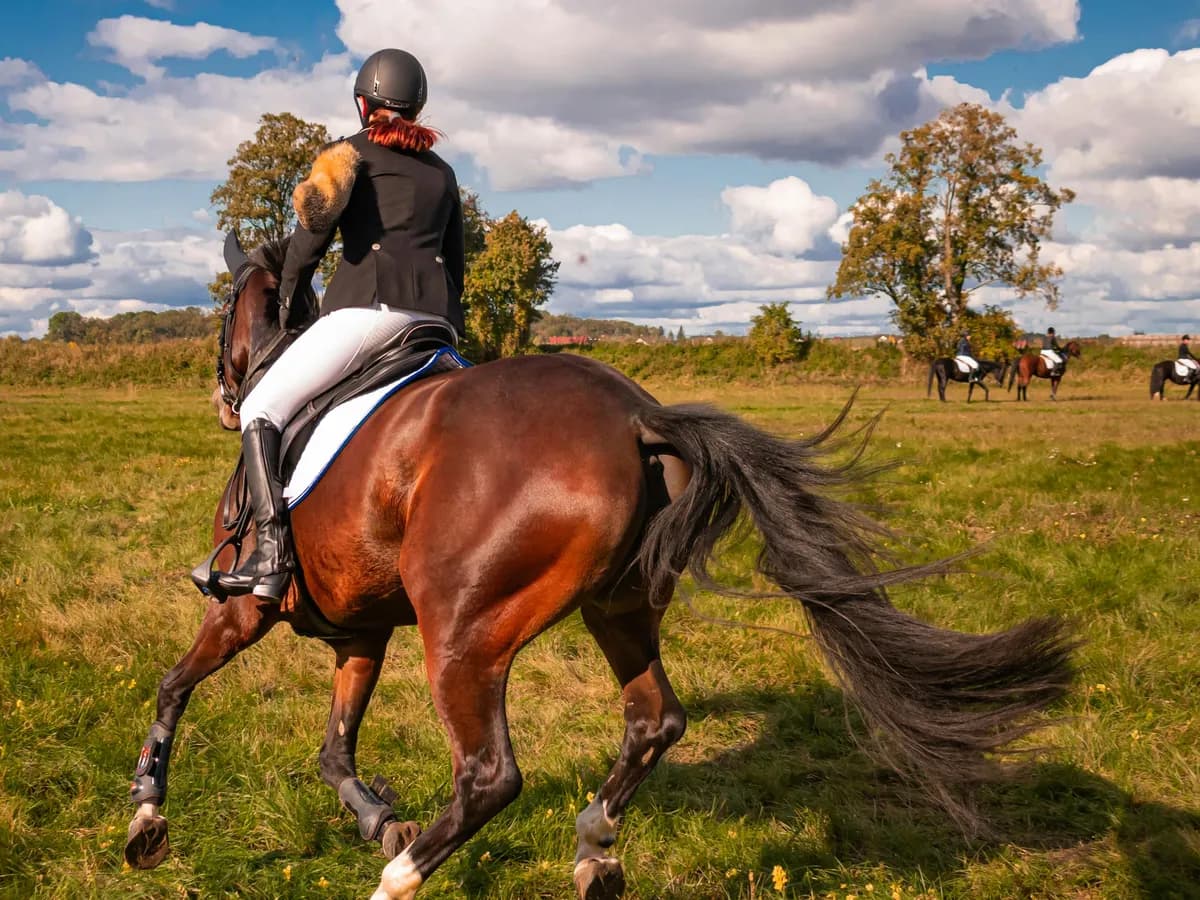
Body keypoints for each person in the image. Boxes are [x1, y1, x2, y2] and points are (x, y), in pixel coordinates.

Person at [208, 48, 466, 602]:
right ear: (417, 106)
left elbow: (306, 246)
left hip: (368, 315)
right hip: (436, 327)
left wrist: (288, 304)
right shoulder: (443, 175)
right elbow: (457, 262)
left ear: (361, 102)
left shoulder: (344, 156)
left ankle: (271, 555)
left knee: (260, 408)